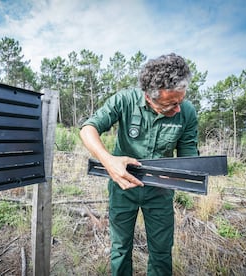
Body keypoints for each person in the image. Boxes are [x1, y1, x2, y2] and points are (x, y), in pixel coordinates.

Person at [79, 53, 198, 275]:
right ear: (150, 98)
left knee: (162, 252)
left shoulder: (187, 113)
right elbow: (88, 129)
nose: (177, 109)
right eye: (170, 104)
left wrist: (184, 175)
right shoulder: (124, 100)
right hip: (123, 188)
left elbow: (189, 157)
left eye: (180, 101)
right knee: (120, 249)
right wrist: (109, 161)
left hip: (160, 193)